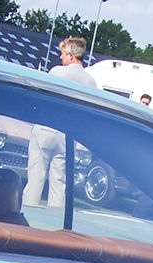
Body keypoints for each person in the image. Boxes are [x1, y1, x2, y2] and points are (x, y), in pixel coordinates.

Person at [24, 37, 99, 207]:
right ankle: (55, 222)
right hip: (69, 134)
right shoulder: (90, 82)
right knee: (59, 182)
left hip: (47, 127)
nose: (60, 57)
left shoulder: (57, 72)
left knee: (36, 177)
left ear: (71, 55)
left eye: (63, 54)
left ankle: (28, 213)